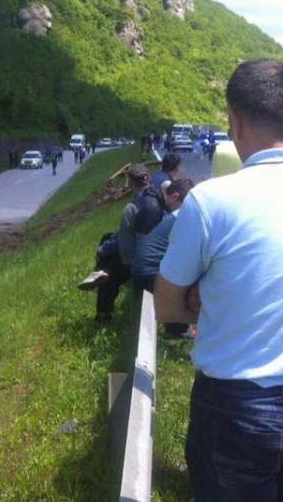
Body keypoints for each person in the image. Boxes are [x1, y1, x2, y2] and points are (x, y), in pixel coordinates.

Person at [155, 59, 283, 500]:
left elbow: (167, 306)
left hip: (238, 407)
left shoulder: (211, 201)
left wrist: (216, 296)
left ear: (235, 122)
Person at [78, 164, 159, 321]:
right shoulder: (160, 199)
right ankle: (102, 271)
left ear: (129, 183)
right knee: (109, 239)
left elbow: (124, 238)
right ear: (149, 178)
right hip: (158, 253)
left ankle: (103, 312)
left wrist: (101, 250)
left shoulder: (132, 207)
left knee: (109, 269)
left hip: (139, 260)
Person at [131, 178, 195, 336]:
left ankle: (178, 328)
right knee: (196, 287)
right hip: (148, 272)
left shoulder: (175, 216)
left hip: (142, 269)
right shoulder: (185, 216)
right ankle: (179, 330)